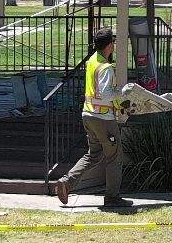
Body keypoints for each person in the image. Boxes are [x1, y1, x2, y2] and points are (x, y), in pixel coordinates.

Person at [51, 29, 135, 212]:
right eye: (113, 42)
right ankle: (112, 198)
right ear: (110, 45)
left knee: (94, 154)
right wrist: (123, 92)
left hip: (88, 115)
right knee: (114, 157)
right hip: (103, 118)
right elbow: (105, 95)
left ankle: (66, 182)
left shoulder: (92, 61)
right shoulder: (105, 68)